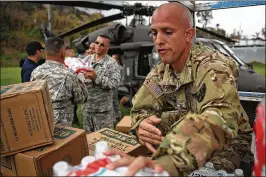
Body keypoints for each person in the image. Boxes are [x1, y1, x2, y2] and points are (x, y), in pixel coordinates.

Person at [101, 2, 253, 176]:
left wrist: (167, 162)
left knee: (203, 172)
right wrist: (141, 124)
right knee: (156, 127)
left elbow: (220, 120)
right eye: (154, 33)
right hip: (187, 126)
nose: (158, 41)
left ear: (188, 35)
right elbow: (140, 108)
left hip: (227, 138)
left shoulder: (211, 66)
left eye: (167, 32)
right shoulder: (160, 73)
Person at [31, 36, 89, 126]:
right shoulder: (69, 74)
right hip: (62, 126)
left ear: (45, 52)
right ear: (63, 53)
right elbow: (82, 98)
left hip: (41, 123)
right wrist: (81, 80)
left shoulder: (35, 72)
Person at [82, 34, 121, 133]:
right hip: (87, 109)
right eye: (97, 43)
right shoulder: (86, 60)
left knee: (104, 142)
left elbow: (114, 83)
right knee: (89, 141)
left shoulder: (111, 63)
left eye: (102, 44)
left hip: (103, 112)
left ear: (108, 47)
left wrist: (96, 78)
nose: (98, 45)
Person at [112, 54, 125, 122]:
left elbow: (122, 80)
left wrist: (116, 84)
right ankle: (115, 117)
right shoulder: (112, 68)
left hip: (115, 86)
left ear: (117, 60)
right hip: (111, 86)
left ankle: (117, 116)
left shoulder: (120, 68)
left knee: (114, 102)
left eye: (113, 59)